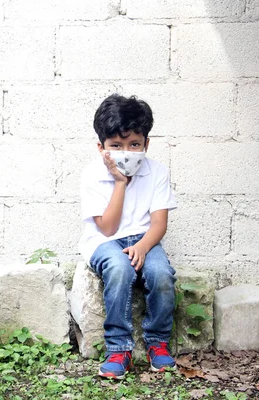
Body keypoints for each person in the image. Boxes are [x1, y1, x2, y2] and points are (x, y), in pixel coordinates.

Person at [78, 94, 178, 380]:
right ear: (101, 148)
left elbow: (159, 223)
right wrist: (120, 182)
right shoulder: (92, 175)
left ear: (146, 144)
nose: (127, 152)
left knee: (160, 273)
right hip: (103, 241)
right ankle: (119, 348)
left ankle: (157, 342)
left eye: (134, 144)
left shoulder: (157, 172)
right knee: (120, 269)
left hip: (145, 238)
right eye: (116, 146)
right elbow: (107, 228)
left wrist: (144, 247)